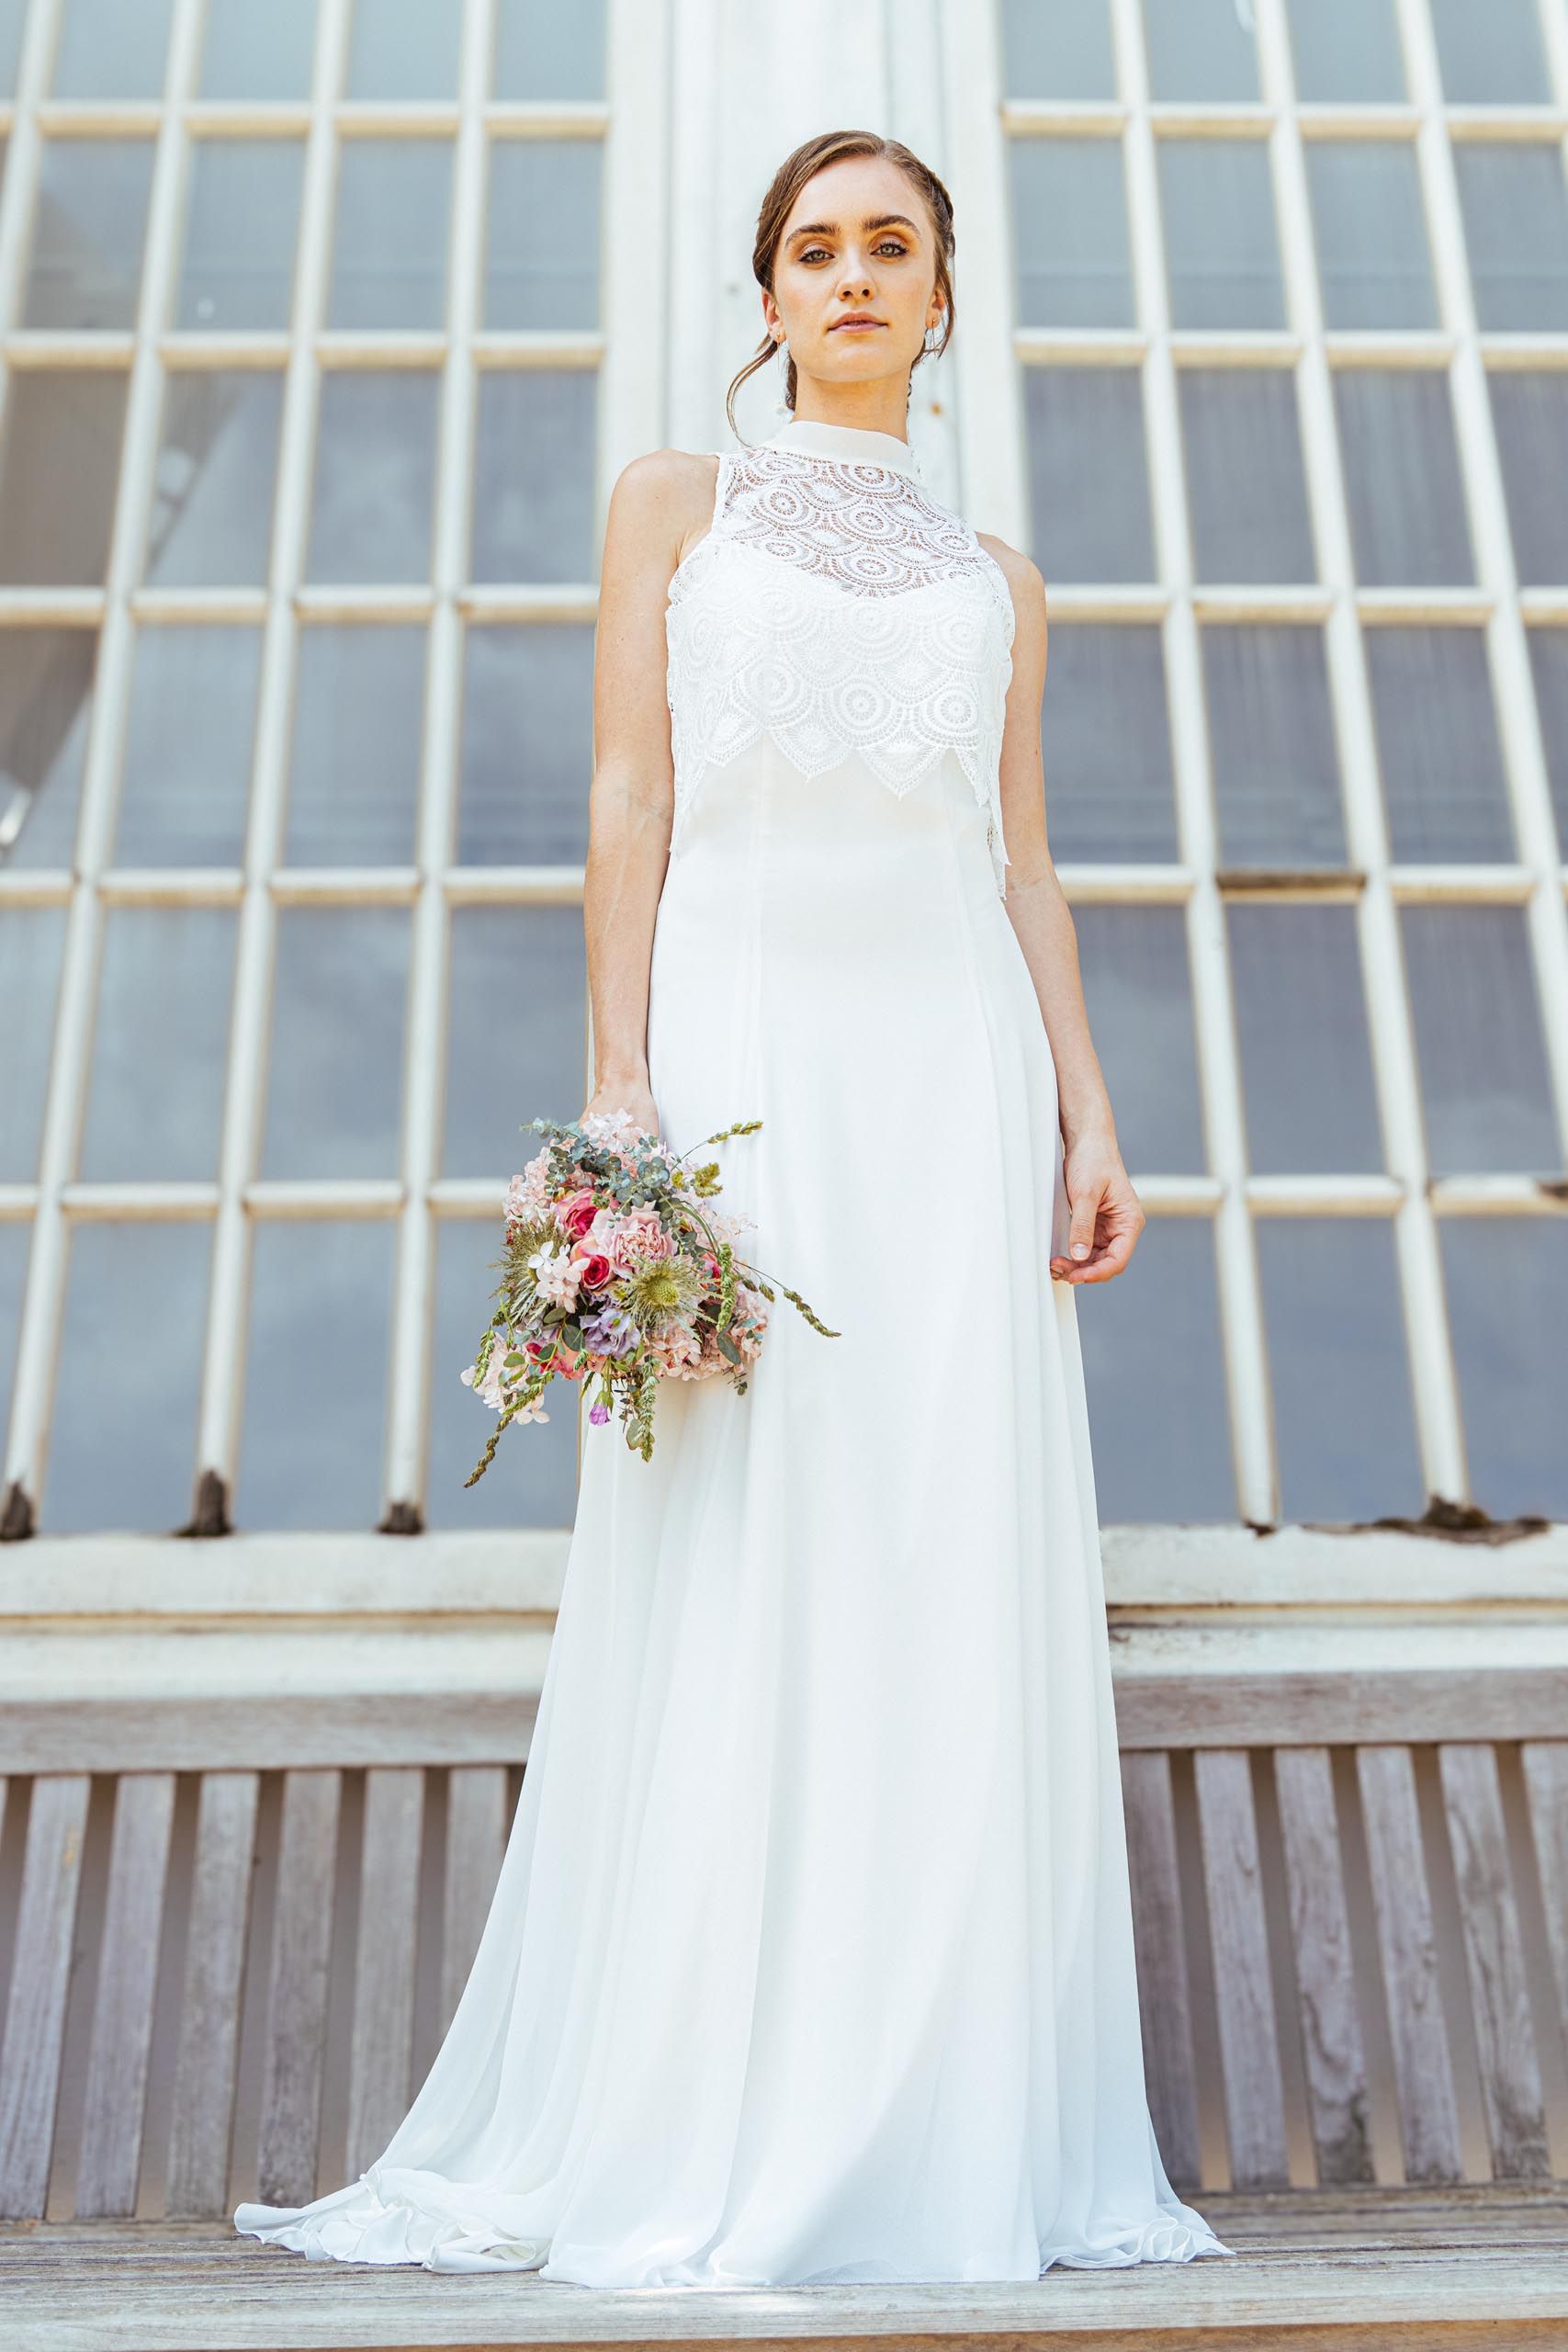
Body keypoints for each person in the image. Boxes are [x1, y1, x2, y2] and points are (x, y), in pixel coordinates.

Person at [235, 128, 1229, 2289]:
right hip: (746, 1065)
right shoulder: (672, 504)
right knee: (744, 1535)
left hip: (950, 1083)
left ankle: (938, 2117)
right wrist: (621, 1083)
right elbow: (627, 791)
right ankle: (710, 2098)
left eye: (891, 248)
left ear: (940, 294)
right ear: (765, 294)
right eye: (814, 248)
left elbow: (1019, 862)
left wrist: (1085, 1112)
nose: (851, 276)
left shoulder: (998, 578)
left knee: (937, 1547)